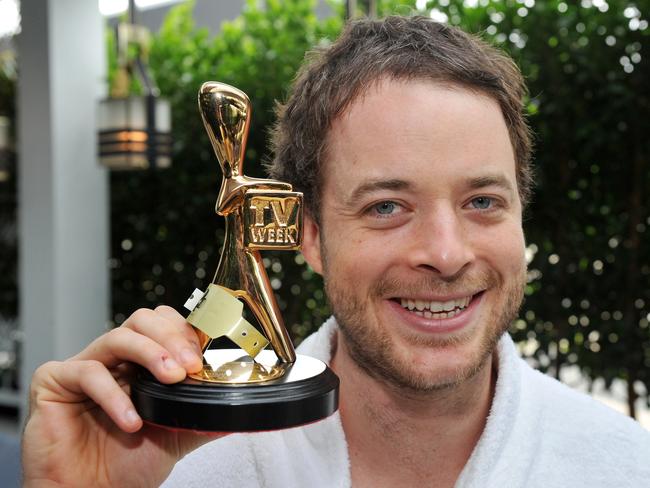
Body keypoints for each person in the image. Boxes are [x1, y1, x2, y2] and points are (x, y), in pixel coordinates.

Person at [22, 16, 650, 488]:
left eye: (483, 201)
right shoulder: (190, 470)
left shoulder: (623, 467)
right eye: (385, 206)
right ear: (310, 236)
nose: (446, 253)